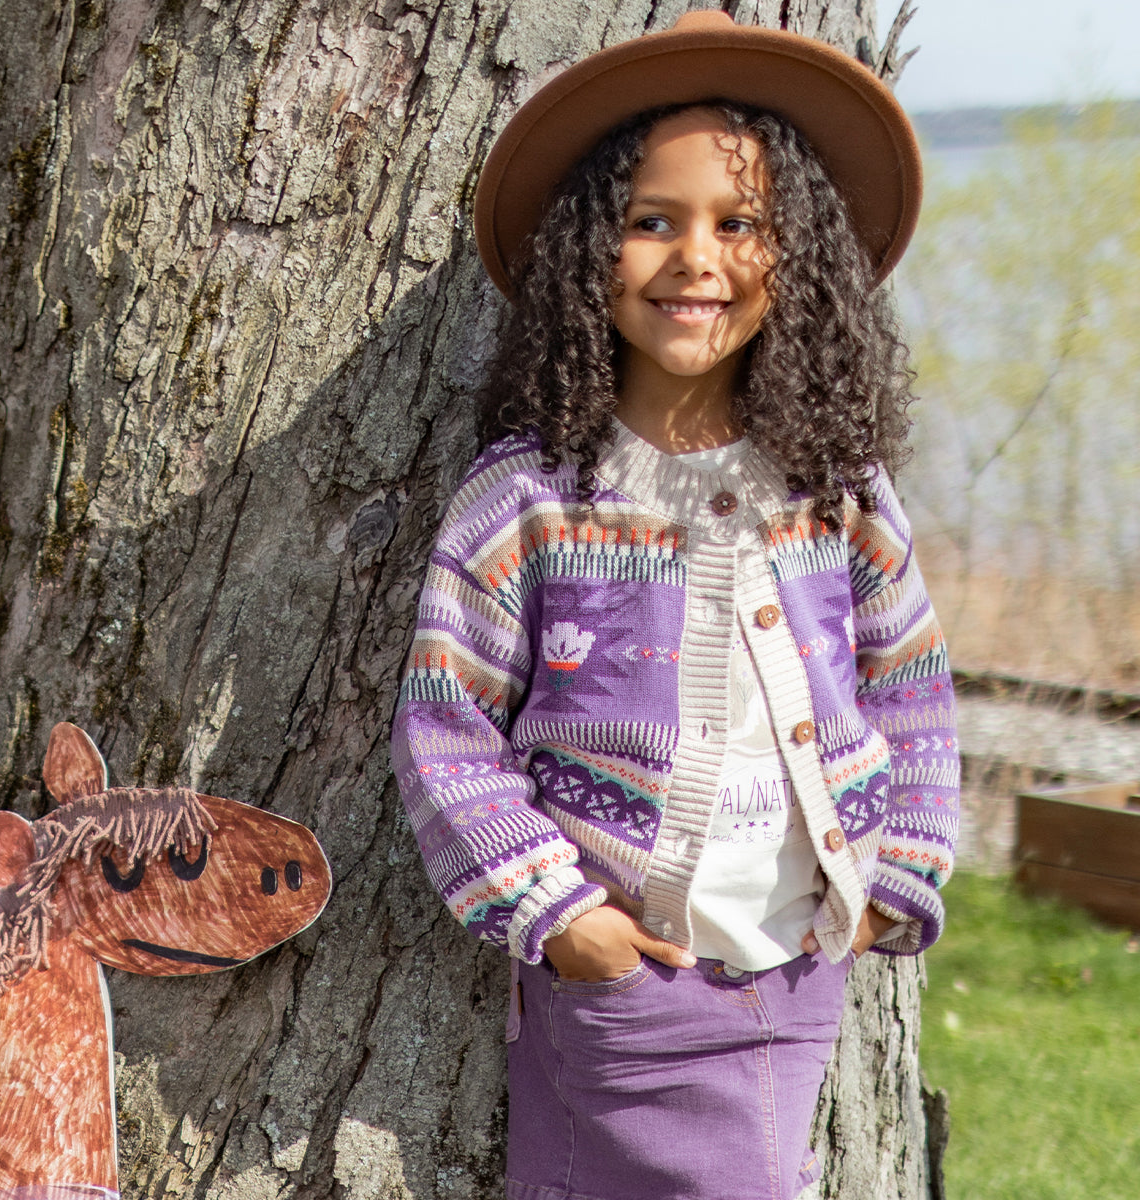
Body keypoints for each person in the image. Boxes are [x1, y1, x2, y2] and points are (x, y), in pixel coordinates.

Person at [391, 11, 959, 1199]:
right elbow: (447, 728)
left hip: (800, 966)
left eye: (738, 224)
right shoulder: (532, 499)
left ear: (796, 261)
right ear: (587, 252)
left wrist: (895, 883)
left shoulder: (836, 486)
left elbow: (910, 688)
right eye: (652, 221)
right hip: (620, 970)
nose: (696, 257)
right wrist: (558, 915)